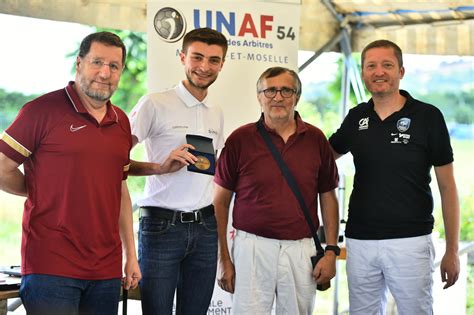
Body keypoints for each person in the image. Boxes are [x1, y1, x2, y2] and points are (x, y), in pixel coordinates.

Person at [0, 31, 141, 315]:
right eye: (97, 62)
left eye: (114, 66)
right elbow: (2, 166)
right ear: (79, 63)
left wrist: (131, 255)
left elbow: (120, 190)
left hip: (105, 268)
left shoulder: (122, 122)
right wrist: (37, 188)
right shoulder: (41, 111)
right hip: (51, 265)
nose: (105, 72)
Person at [329, 39, 460, 314]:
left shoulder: (428, 117)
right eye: (371, 66)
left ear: (401, 71)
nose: (379, 72)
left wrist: (452, 249)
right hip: (360, 240)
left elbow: (448, 188)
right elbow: (321, 157)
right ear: (363, 73)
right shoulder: (356, 118)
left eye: (387, 65)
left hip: (410, 241)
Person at [214, 66, 340, 314]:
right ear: (259, 96)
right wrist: (224, 258)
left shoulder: (316, 140)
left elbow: (328, 197)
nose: (278, 97)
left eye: (286, 90)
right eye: (270, 91)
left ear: (297, 96)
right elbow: (219, 202)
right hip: (251, 247)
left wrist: (331, 251)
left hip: (301, 249)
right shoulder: (240, 140)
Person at [128, 27, 227, 315]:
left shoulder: (216, 110)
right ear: (183, 57)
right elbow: (115, 161)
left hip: (206, 226)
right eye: (197, 57)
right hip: (161, 227)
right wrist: (160, 167)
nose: (204, 67)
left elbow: (213, 168)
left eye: (213, 60)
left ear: (222, 64)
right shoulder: (154, 103)